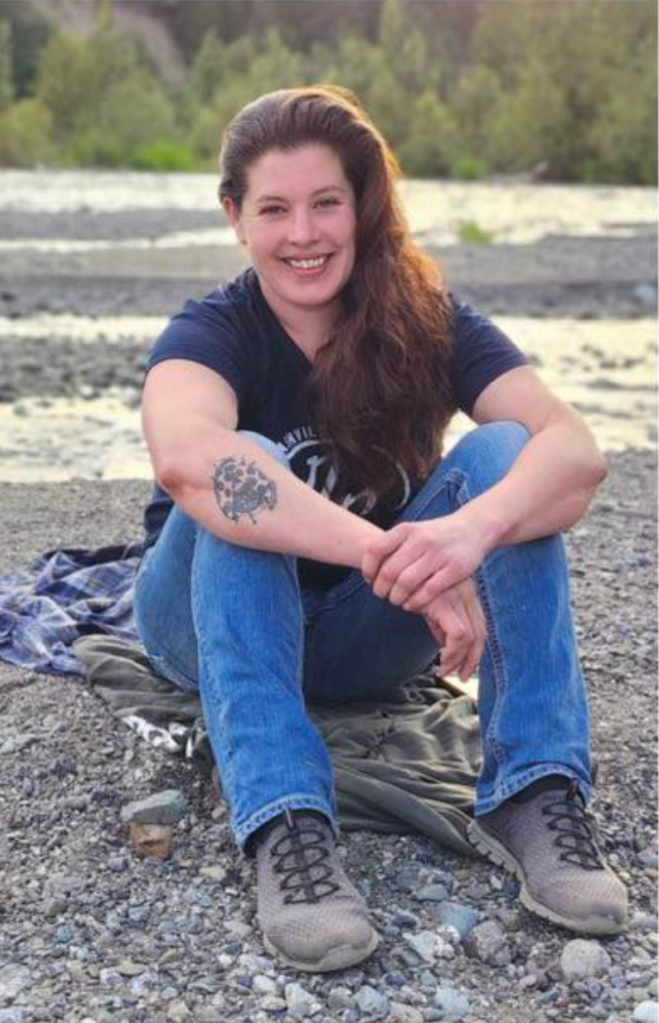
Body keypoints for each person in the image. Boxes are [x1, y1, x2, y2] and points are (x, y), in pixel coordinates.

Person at [133, 85, 628, 973]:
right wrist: (389, 551)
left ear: (362, 206)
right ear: (235, 217)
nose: (304, 234)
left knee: (511, 452)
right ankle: (288, 823)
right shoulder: (214, 329)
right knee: (241, 457)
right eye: (275, 209)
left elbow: (576, 454)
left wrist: (466, 535)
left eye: (327, 203)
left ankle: (533, 790)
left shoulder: (426, 321)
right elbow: (186, 460)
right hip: (208, 623)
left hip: (371, 631)